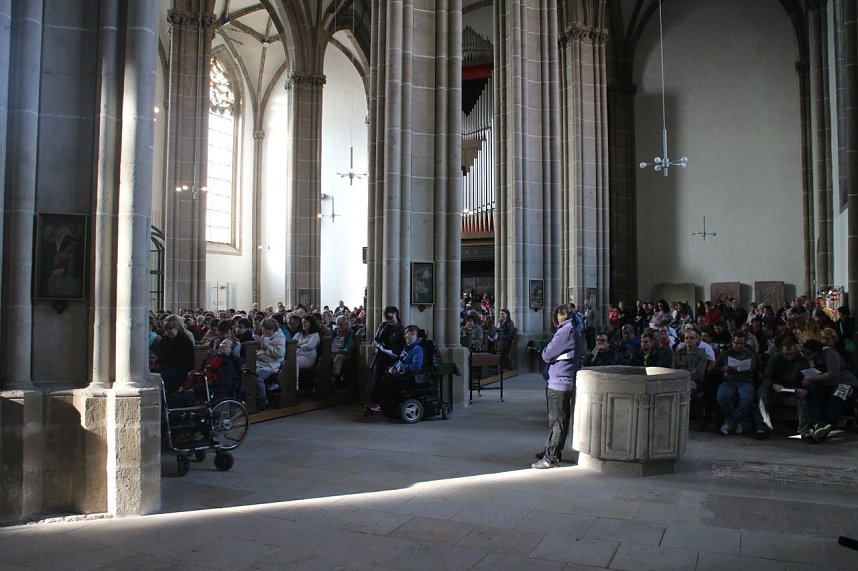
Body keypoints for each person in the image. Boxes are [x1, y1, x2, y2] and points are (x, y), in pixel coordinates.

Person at [532, 303, 581, 469]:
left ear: (559, 316)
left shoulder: (565, 331)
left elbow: (547, 354)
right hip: (562, 380)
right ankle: (552, 450)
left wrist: (548, 353)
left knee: (557, 421)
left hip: (559, 382)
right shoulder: (572, 329)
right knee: (558, 421)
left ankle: (550, 457)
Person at [752, 339, 810, 440]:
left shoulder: (801, 360)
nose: (789, 357)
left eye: (791, 354)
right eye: (786, 354)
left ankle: (804, 431)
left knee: (803, 398)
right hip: (775, 387)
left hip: (793, 387)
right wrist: (773, 385)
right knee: (762, 394)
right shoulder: (775, 359)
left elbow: (807, 377)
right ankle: (761, 427)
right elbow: (766, 378)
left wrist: (804, 388)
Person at [801, 339, 857, 442]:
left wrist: (814, 379)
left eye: (808, 353)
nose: (805, 355)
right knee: (815, 398)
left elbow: (833, 373)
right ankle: (818, 426)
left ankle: (824, 427)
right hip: (824, 385)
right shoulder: (809, 359)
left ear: (817, 352)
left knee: (836, 400)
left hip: (844, 382)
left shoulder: (830, 354)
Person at [367, 325, 424, 411]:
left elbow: (416, 367)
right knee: (384, 378)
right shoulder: (407, 348)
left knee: (389, 381)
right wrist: (393, 367)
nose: (404, 336)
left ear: (413, 333)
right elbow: (400, 360)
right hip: (400, 373)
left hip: (409, 377)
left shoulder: (417, 350)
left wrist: (401, 367)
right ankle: (377, 402)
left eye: (406, 333)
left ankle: (383, 405)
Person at [714, 331, 758, 435]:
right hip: (729, 380)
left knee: (747, 398)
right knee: (722, 397)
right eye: (736, 343)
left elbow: (753, 368)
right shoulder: (725, 354)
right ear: (732, 342)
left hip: (745, 380)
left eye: (741, 343)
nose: (738, 346)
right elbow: (715, 369)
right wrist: (723, 369)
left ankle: (729, 423)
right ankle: (737, 421)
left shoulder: (749, 354)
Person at [369, 306, 406, 400]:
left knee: (387, 381)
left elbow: (403, 347)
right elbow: (375, 340)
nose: (389, 320)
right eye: (387, 318)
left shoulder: (401, 329)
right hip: (381, 356)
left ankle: (384, 402)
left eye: (390, 317)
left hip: (392, 358)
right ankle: (373, 401)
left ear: (395, 314)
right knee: (376, 379)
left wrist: (395, 353)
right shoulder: (383, 325)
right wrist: (379, 346)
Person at [151, 314, 195, 392]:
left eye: (170, 329)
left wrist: (158, 361)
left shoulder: (185, 341)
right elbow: (158, 351)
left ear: (178, 327)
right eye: (166, 329)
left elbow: (181, 361)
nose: (168, 332)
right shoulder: (166, 339)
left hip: (180, 370)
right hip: (167, 367)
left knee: (157, 376)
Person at [253, 317, 287, 408]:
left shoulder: (279, 337)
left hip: (271, 365)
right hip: (261, 361)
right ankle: (250, 398)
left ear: (271, 329)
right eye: (262, 329)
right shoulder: (265, 335)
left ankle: (263, 400)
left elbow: (280, 353)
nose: (262, 331)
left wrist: (267, 347)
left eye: (264, 329)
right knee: (246, 371)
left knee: (258, 378)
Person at [331, 316, 355, 384]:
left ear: (346, 324)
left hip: (344, 354)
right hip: (333, 352)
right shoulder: (335, 332)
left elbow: (349, 348)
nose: (339, 326)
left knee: (338, 357)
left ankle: (335, 378)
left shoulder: (350, 333)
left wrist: (340, 351)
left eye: (340, 324)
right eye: (338, 324)